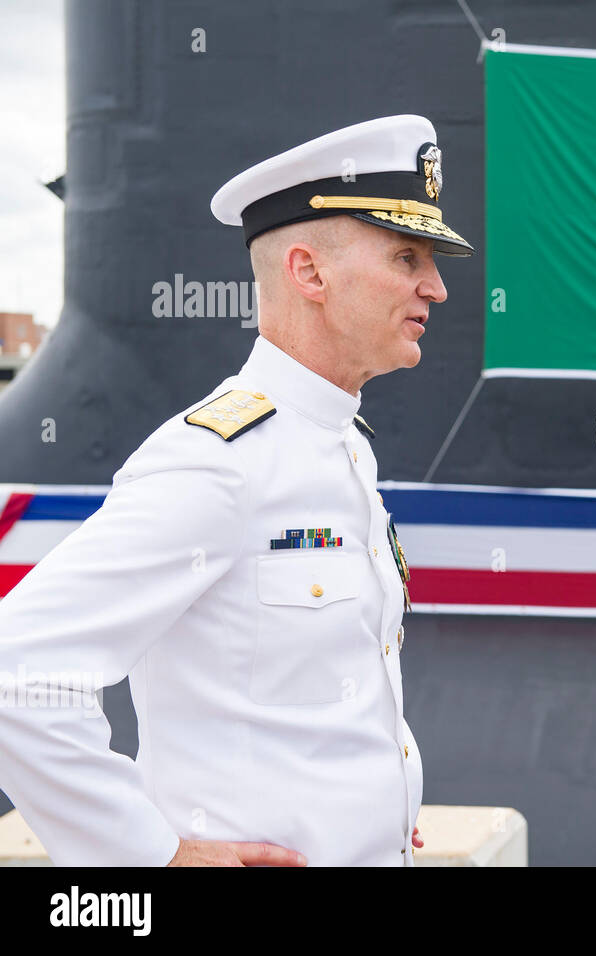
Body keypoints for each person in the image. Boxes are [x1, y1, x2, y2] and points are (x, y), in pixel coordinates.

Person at [0, 114, 473, 866]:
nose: (436, 287)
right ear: (309, 273)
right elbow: (17, 672)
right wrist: (155, 856)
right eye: (407, 255)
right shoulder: (218, 465)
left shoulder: (342, 446)